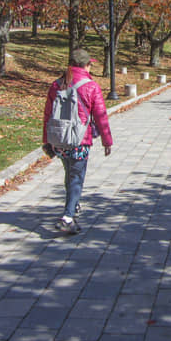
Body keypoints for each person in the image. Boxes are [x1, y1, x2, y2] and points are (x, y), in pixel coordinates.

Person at [43, 48, 113, 234]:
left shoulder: (57, 84)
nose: (91, 68)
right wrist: (107, 141)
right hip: (79, 140)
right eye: (90, 64)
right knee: (77, 178)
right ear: (85, 65)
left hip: (59, 139)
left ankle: (73, 206)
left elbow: (47, 115)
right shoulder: (91, 86)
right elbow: (100, 116)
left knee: (70, 174)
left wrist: (46, 141)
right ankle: (67, 218)